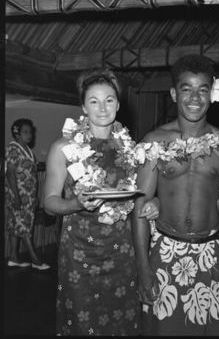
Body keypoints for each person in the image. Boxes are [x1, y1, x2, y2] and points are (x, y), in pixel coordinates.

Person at [132, 54, 219, 336]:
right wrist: (143, 266)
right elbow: (139, 206)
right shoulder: (154, 141)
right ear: (174, 93)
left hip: (211, 253)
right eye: (186, 89)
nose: (195, 97)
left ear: (213, 94)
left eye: (203, 89)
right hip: (165, 251)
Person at [43, 68, 158, 336]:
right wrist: (76, 204)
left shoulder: (130, 149)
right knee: (82, 322)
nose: (102, 107)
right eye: (94, 101)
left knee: (121, 320)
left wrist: (157, 204)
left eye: (109, 100)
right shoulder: (64, 148)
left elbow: (143, 195)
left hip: (122, 251)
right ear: (83, 106)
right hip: (79, 253)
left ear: (118, 104)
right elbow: (49, 202)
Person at [5, 118, 50, 270]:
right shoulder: (13, 148)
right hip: (18, 195)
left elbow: (30, 176)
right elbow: (10, 174)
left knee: (15, 226)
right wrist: (17, 197)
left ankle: (13, 258)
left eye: (30, 132)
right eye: (25, 132)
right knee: (24, 228)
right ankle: (35, 260)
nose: (29, 135)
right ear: (17, 133)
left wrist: (34, 196)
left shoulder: (27, 150)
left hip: (28, 196)